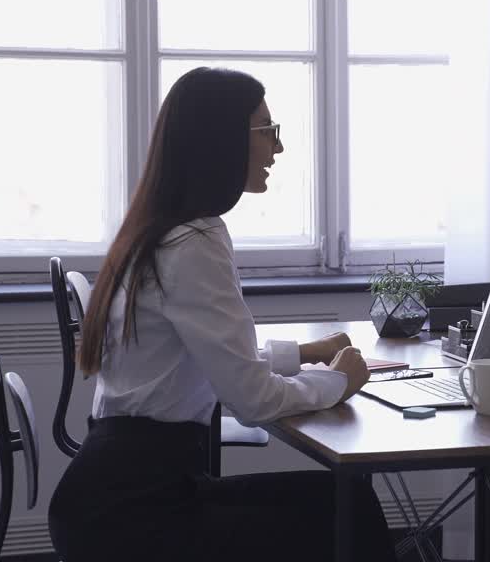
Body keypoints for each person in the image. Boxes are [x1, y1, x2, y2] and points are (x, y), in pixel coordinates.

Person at [48, 68, 395, 562]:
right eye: (267, 132)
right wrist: (338, 382)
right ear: (222, 140)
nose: (278, 148)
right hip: (131, 515)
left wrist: (301, 354)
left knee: (347, 501)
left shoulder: (160, 231)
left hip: (115, 496)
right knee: (345, 513)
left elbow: (206, 354)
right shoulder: (195, 243)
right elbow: (252, 399)